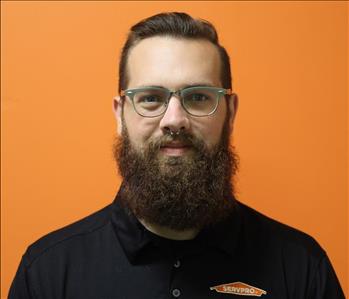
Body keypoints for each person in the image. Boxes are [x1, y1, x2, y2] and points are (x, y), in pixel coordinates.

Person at [9, 12, 344, 299]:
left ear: (231, 111)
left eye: (198, 97)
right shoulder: (48, 274)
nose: (175, 120)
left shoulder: (302, 269)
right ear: (120, 114)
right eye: (151, 97)